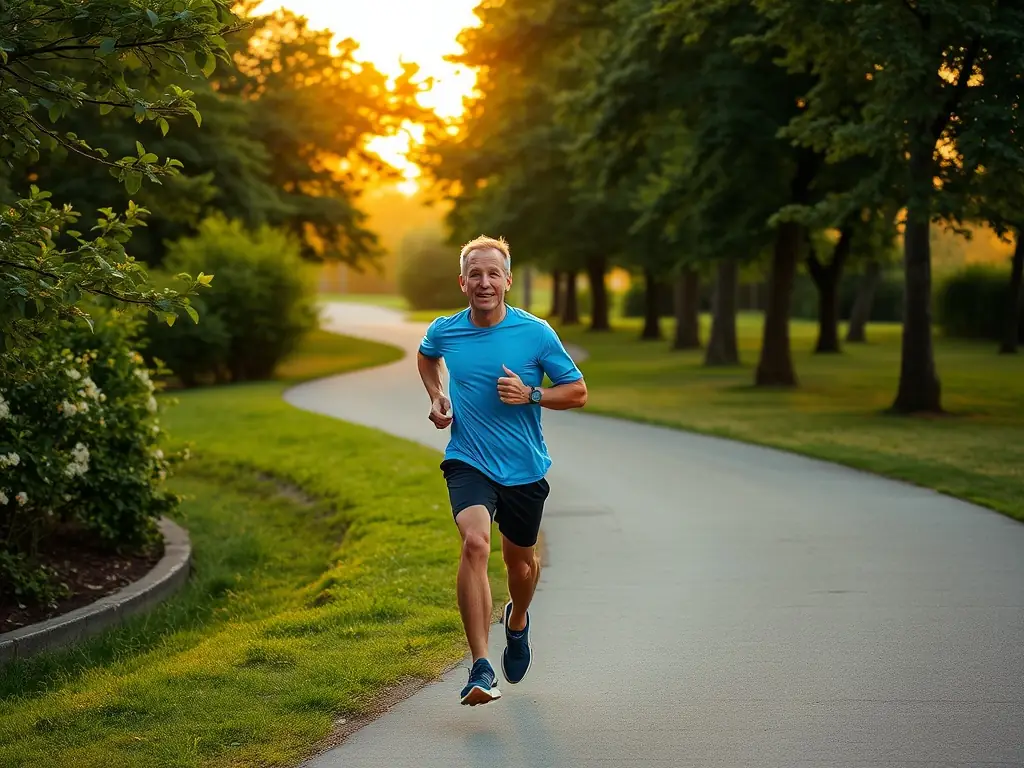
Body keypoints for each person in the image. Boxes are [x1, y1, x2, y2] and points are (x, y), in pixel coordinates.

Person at [416, 235, 588, 706]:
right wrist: (436, 395)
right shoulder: (446, 329)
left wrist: (532, 394)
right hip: (468, 458)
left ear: (508, 281)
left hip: (524, 469)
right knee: (474, 543)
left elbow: (577, 392)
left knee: (522, 566)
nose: (485, 282)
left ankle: (517, 620)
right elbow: (427, 354)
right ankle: (480, 666)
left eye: (494, 273)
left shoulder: (535, 333)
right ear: (462, 282)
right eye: (476, 274)